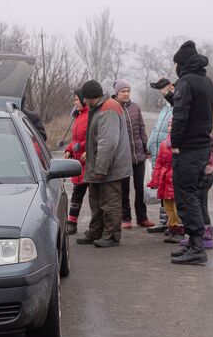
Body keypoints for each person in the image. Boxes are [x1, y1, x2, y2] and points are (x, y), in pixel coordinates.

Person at [168, 41, 213, 265]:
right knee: (195, 195)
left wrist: (175, 142)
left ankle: (197, 247)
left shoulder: (186, 83)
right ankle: (194, 243)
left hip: (188, 149)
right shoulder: (207, 82)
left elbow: (181, 115)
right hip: (202, 147)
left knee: (186, 196)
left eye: (176, 63)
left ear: (182, 63)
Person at [72, 80, 131, 248]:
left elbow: (108, 143)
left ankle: (112, 235)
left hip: (109, 167)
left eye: (84, 98)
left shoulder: (108, 108)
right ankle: (95, 232)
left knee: (109, 201)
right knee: (96, 201)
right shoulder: (98, 107)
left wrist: (100, 168)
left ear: (89, 97)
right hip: (99, 166)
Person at [112, 80, 152, 229]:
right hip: (122, 156)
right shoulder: (113, 108)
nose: (126, 94)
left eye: (128, 91)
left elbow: (141, 127)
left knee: (140, 187)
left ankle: (142, 218)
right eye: (123, 91)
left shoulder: (135, 107)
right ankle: (126, 218)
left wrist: (146, 147)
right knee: (124, 189)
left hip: (139, 155)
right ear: (117, 93)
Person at [144, 78, 174, 234]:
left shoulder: (176, 107)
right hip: (157, 154)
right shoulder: (164, 109)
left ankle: (172, 222)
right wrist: (149, 145)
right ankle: (164, 221)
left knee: (170, 190)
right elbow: (156, 130)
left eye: (162, 89)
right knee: (162, 189)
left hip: (168, 155)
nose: (161, 93)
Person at [147, 124, 183, 242]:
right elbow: (159, 163)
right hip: (165, 180)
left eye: (172, 125)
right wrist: (155, 180)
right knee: (168, 207)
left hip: (177, 179)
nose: (169, 127)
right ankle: (172, 228)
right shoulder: (164, 143)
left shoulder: (184, 143)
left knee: (177, 208)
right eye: (168, 125)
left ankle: (179, 231)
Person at [62, 92, 90, 233]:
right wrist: (69, 149)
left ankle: (96, 226)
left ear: (84, 100)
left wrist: (88, 150)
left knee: (94, 197)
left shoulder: (90, 116)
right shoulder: (78, 117)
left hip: (89, 162)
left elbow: (93, 137)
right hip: (78, 162)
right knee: (76, 195)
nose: (74, 103)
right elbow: (75, 139)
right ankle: (72, 223)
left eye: (76, 100)